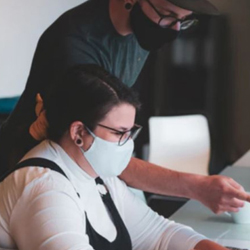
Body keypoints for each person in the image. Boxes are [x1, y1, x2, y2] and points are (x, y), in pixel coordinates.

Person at [0, 0, 249, 214]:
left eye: (183, 20)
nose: (173, 28)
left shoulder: (137, 34)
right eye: (167, 14)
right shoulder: (76, 44)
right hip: (28, 172)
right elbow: (100, 153)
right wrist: (197, 187)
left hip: (77, 170)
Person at [0, 65, 228, 250]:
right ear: (79, 133)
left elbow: (159, 234)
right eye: (119, 133)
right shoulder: (45, 188)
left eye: (131, 132)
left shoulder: (96, 174)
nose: (128, 143)